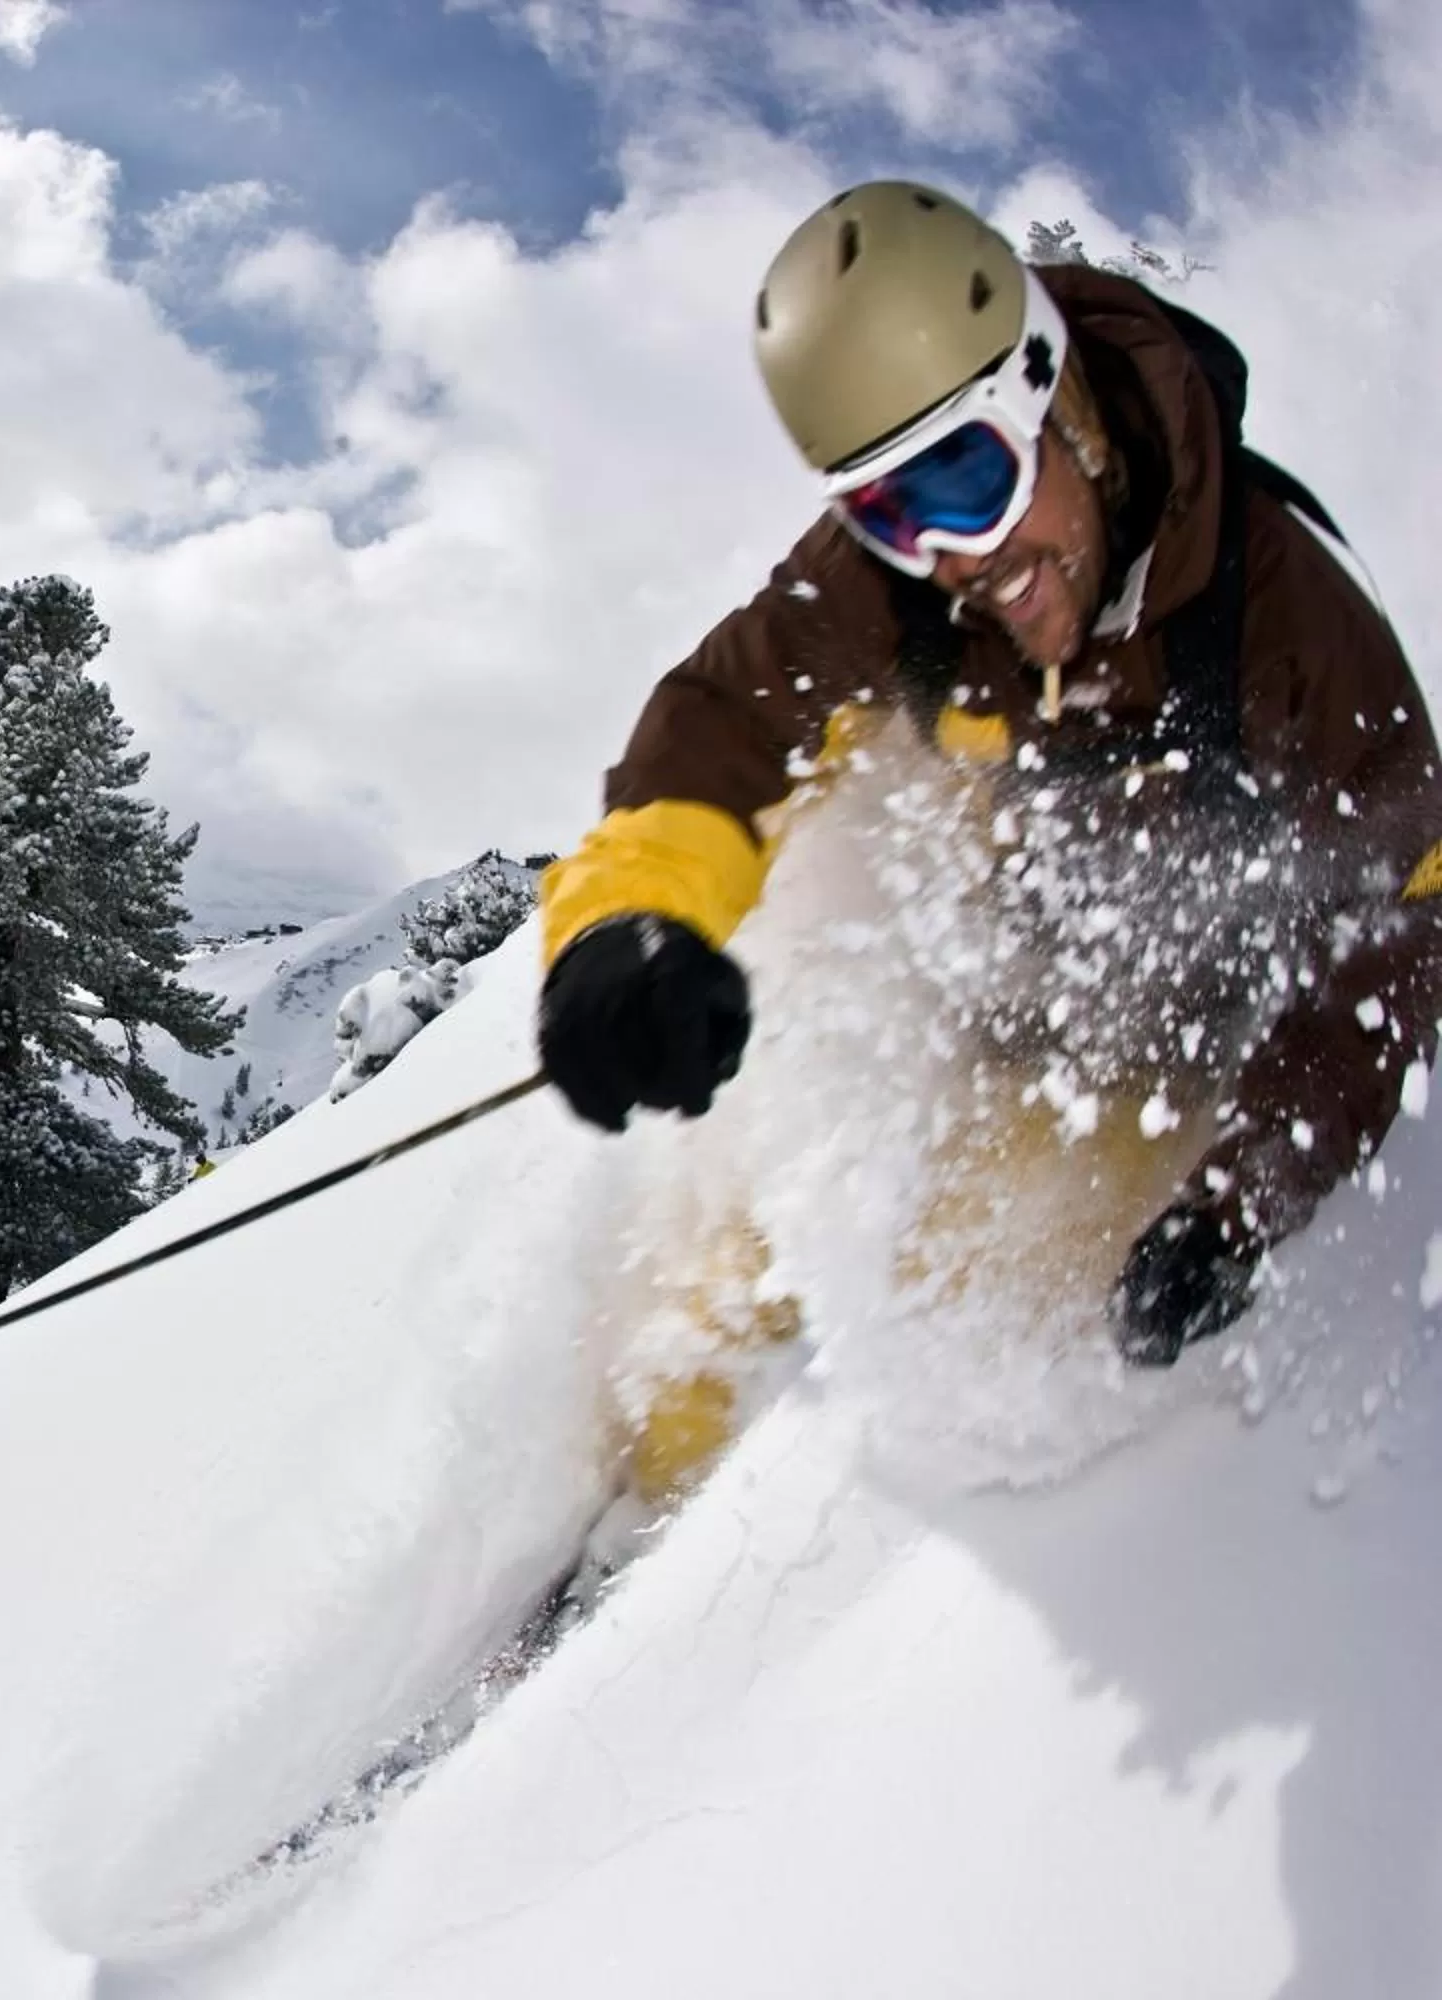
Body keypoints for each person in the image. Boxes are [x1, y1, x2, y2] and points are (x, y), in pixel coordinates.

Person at [533, 182, 1442, 1477]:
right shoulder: (909, 589)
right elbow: (728, 713)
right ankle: (637, 1511)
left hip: (1185, 1081)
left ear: (1059, 396)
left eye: (968, 476)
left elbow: (1405, 928)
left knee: (968, 1283)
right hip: (1002, 1015)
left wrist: (1241, 1204)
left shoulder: (1291, 629)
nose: (952, 554)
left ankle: (804, 1597)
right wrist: (634, 922)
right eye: (887, 514)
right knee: (760, 1237)